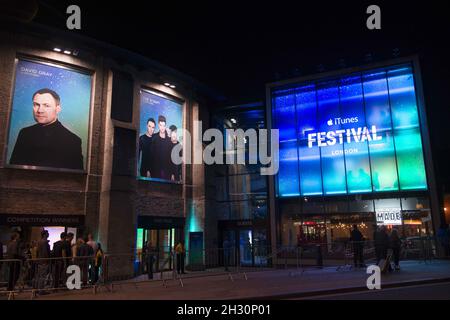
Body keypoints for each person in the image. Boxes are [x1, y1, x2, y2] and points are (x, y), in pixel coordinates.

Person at [9, 88, 84, 170]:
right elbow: (12, 170)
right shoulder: (24, 133)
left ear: (58, 109)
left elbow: (74, 178)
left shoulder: (73, 141)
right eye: (36, 104)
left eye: (46, 105)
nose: (40, 110)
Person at [150, 115, 172, 180]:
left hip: (167, 172)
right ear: (158, 125)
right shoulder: (154, 137)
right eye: (160, 125)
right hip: (155, 170)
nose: (162, 127)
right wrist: (149, 170)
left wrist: (172, 173)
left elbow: (170, 158)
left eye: (163, 125)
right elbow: (151, 155)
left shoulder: (169, 140)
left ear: (165, 126)